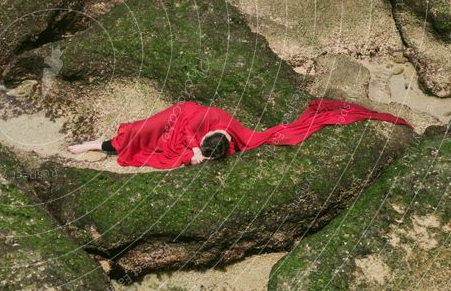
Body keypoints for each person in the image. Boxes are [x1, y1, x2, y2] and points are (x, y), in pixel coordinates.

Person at [66, 98, 413, 169]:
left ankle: (96, 146)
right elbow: (187, 129)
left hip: (191, 135)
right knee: (141, 134)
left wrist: (192, 155)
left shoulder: (234, 133)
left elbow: (263, 138)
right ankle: (96, 144)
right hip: (180, 116)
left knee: (168, 156)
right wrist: (190, 148)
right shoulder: (211, 119)